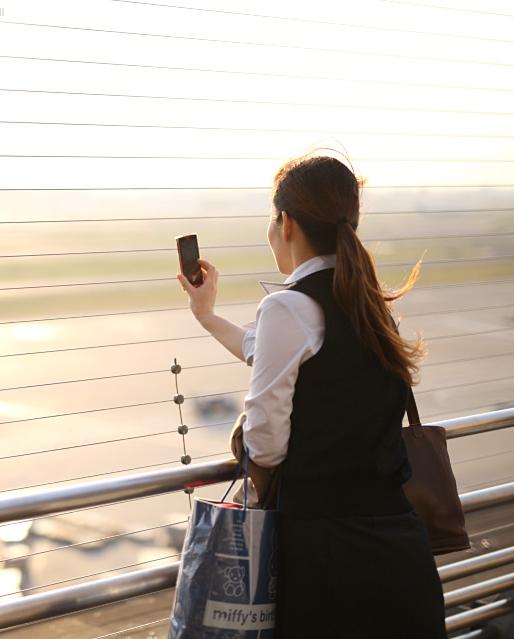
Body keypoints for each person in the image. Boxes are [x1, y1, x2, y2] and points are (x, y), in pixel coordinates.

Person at [177, 150, 446, 638]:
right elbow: (278, 352)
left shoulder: (288, 307)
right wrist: (208, 314)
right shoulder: (364, 300)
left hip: (330, 557)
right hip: (399, 549)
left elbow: (267, 442)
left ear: (285, 222)